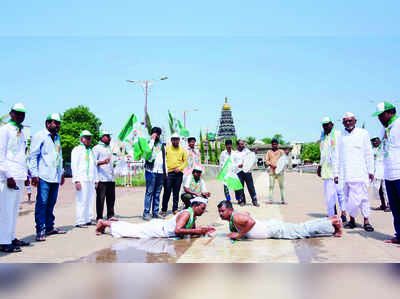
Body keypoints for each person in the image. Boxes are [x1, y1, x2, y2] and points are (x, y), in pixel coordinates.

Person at [217, 200, 342, 240]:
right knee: (301, 227)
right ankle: (329, 219)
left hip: (273, 229)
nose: (220, 214)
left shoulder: (237, 216)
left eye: (222, 211)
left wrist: (239, 234)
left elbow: (251, 222)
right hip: (270, 227)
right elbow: (247, 214)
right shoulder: (235, 217)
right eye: (219, 212)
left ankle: (333, 223)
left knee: (302, 231)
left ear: (230, 210)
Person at [96, 198, 215, 238]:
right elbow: (178, 230)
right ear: (195, 206)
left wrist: (205, 230)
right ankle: (104, 222)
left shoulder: (192, 215)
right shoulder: (186, 214)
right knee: (132, 231)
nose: (204, 211)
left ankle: (112, 223)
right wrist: (197, 231)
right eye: (202, 208)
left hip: (160, 227)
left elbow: (191, 231)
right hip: (157, 229)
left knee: (133, 228)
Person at [30, 113, 66, 241]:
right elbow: (33, 156)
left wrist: (61, 173)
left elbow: (59, 156)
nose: (57, 125)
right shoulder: (39, 136)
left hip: (55, 176)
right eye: (55, 123)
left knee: (51, 203)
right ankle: (40, 230)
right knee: (42, 203)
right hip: (43, 175)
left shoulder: (57, 138)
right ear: (47, 123)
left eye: (59, 123)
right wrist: (34, 175)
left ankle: (50, 227)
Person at [0, 103, 30, 252]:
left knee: (13, 209)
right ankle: (3, 241)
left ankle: (10, 237)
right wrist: (8, 175)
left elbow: (22, 155)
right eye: (17, 113)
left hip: (19, 174)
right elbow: (1, 154)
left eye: (22, 114)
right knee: (5, 210)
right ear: (11, 113)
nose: (20, 116)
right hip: (8, 176)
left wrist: (26, 174)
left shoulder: (21, 132)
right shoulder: (4, 130)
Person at [338, 112, 374, 231]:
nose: (348, 123)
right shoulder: (340, 135)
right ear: (343, 123)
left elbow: (369, 153)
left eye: (350, 121)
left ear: (355, 121)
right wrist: (336, 173)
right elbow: (337, 156)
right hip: (345, 173)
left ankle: (366, 221)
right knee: (348, 198)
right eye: (346, 121)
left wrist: (371, 170)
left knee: (363, 198)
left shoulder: (363, 133)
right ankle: (352, 220)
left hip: (360, 172)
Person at [372, 102, 400, 244]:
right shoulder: (384, 129)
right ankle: (399, 235)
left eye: (381, 115)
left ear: (390, 112)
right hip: (389, 174)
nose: (379, 118)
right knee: (395, 207)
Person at [317, 117, 347, 222]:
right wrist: (320, 166)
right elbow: (323, 154)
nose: (325, 127)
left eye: (327, 124)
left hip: (338, 168)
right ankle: (332, 214)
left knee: (340, 193)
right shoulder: (323, 137)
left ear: (332, 125)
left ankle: (343, 212)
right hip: (327, 170)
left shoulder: (338, 135)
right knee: (329, 194)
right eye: (323, 125)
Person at [71, 130, 98, 228]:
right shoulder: (77, 150)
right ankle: (80, 221)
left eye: (90, 138)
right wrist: (76, 180)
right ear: (81, 139)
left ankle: (88, 219)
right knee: (81, 200)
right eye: (87, 137)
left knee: (90, 200)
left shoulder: (91, 151)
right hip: (81, 178)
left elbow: (94, 166)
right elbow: (74, 165)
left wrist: (96, 180)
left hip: (90, 179)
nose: (89, 139)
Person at [142, 127, 166, 221]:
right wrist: (152, 139)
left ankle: (155, 212)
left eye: (158, 134)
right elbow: (147, 152)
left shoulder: (162, 145)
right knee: (149, 192)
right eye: (155, 134)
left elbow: (164, 159)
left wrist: (165, 171)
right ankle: (146, 213)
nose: (157, 136)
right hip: (150, 171)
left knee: (157, 193)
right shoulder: (148, 143)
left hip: (160, 172)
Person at [161, 133, 188, 216]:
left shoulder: (182, 150)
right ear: (171, 140)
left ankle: (175, 209)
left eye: (177, 139)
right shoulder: (167, 149)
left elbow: (185, 162)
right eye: (174, 139)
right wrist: (164, 172)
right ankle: (164, 210)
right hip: (168, 173)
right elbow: (163, 160)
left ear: (179, 140)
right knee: (167, 192)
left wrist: (179, 169)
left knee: (176, 192)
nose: (175, 141)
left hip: (178, 174)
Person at [93, 130, 117, 222]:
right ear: (102, 137)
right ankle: (99, 217)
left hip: (110, 178)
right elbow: (94, 162)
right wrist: (103, 162)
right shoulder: (96, 148)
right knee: (100, 199)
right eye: (107, 136)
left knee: (111, 198)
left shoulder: (110, 148)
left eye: (109, 136)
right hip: (101, 178)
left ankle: (110, 215)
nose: (109, 138)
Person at [234, 139, 259, 207]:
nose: (243, 145)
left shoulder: (247, 151)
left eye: (243, 144)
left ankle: (254, 201)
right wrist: (238, 166)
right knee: (240, 188)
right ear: (237, 145)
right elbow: (233, 164)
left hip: (247, 171)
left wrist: (255, 154)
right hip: (239, 172)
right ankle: (242, 201)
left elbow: (253, 159)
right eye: (241, 144)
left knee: (251, 186)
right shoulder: (234, 153)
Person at [370, 136, 389, 212]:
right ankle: (383, 205)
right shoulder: (373, 150)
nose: (374, 142)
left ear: (379, 141)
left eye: (376, 141)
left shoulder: (383, 148)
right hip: (377, 173)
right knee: (379, 190)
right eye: (373, 141)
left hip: (384, 172)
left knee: (385, 190)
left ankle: (389, 205)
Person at [265, 139, 286, 204]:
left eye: (275, 144)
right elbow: (266, 161)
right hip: (272, 171)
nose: (274, 145)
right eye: (273, 144)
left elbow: (284, 160)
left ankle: (283, 200)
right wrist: (271, 164)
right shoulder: (269, 152)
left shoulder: (281, 151)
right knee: (271, 186)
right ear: (271, 145)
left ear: (277, 144)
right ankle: (270, 200)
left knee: (281, 186)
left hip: (280, 172)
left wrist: (279, 166)